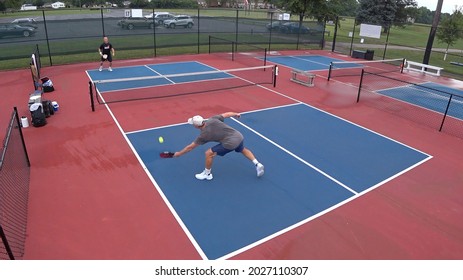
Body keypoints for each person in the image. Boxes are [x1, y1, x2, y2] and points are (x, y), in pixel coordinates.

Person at [174, 112, 264, 180]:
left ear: (196, 126)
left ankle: (207, 174)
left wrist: (179, 153)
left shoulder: (203, 135)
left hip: (230, 142)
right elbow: (226, 114)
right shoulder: (212, 119)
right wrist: (236, 114)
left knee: (208, 153)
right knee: (242, 149)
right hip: (238, 136)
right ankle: (257, 164)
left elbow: (190, 147)